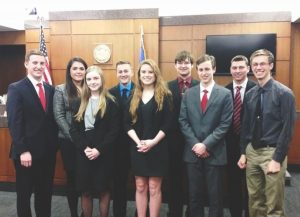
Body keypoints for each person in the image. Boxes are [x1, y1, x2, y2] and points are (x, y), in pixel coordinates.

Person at [237, 49, 296, 217]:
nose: (258, 67)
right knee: (255, 201)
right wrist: (243, 152)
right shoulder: (250, 95)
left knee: (273, 206)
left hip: (272, 153)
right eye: (255, 64)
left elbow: (287, 130)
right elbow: (245, 127)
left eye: (262, 63)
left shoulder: (284, 93)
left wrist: (277, 159)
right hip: (252, 152)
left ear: (271, 65)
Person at [179, 54, 233, 217]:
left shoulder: (224, 94)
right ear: (197, 71)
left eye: (207, 69)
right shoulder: (188, 94)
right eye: (201, 69)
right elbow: (183, 121)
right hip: (192, 152)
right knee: (194, 196)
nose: (204, 72)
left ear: (214, 69)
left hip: (214, 153)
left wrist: (206, 145)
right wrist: (196, 144)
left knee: (215, 197)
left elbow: (224, 125)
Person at [6, 49, 58, 217]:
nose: (38, 66)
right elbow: (14, 122)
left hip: (47, 153)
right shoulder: (16, 88)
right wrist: (23, 150)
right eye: (35, 63)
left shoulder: (50, 89)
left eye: (42, 63)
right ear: (26, 64)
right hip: (26, 154)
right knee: (24, 195)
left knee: (45, 194)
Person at [124, 59, 173, 217]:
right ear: (138, 75)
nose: (146, 75)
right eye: (143, 72)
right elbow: (126, 123)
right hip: (137, 146)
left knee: (153, 187)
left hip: (157, 147)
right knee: (140, 186)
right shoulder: (133, 95)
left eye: (150, 72)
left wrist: (152, 142)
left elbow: (168, 124)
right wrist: (139, 142)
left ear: (156, 74)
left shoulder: (165, 95)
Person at [70, 65, 120, 217]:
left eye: (95, 78)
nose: (92, 82)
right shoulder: (78, 102)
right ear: (86, 81)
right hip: (84, 153)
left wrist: (99, 150)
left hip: (103, 153)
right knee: (85, 191)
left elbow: (114, 131)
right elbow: (73, 130)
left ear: (101, 79)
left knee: (103, 190)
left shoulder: (111, 102)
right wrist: (85, 148)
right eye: (89, 79)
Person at [53, 57, 88, 217]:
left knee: (86, 177)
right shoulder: (60, 89)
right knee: (72, 178)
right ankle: (74, 213)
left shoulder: (91, 87)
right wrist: (75, 139)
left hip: (88, 141)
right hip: (68, 141)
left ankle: (85, 212)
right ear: (69, 71)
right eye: (75, 68)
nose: (79, 71)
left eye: (82, 68)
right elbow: (59, 116)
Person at [167, 50, 199, 217]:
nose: (183, 65)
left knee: (193, 181)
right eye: (180, 62)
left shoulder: (200, 85)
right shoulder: (166, 86)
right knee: (174, 179)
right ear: (175, 65)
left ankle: (192, 212)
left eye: (187, 62)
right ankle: (174, 212)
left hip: (194, 141)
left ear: (192, 65)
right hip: (173, 141)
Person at [225, 55, 256, 217]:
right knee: (233, 184)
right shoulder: (224, 90)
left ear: (248, 69)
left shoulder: (256, 89)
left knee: (251, 185)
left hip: (251, 146)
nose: (237, 71)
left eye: (241, 67)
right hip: (229, 145)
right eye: (234, 68)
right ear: (230, 70)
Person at [109, 60, 135, 217]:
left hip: (137, 144)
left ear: (132, 72)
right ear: (117, 73)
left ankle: (142, 212)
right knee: (118, 184)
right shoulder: (110, 93)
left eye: (126, 71)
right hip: (117, 147)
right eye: (120, 71)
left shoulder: (141, 90)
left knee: (142, 184)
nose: (123, 74)